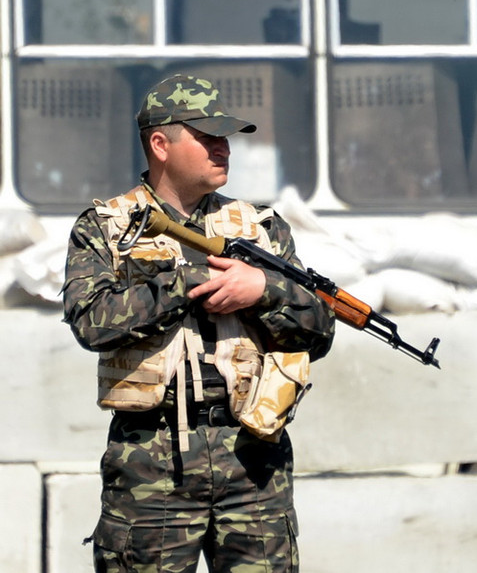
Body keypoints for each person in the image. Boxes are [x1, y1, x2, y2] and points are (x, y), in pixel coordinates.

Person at [62, 73, 336, 571]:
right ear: (160, 144)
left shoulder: (261, 229)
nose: (223, 148)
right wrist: (187, 280)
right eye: (207, 137)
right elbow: (91, 320)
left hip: (254, 460)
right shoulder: (105, 228)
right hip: (151, 464)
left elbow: (319, 329)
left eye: (225, 137)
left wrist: (262, 289)